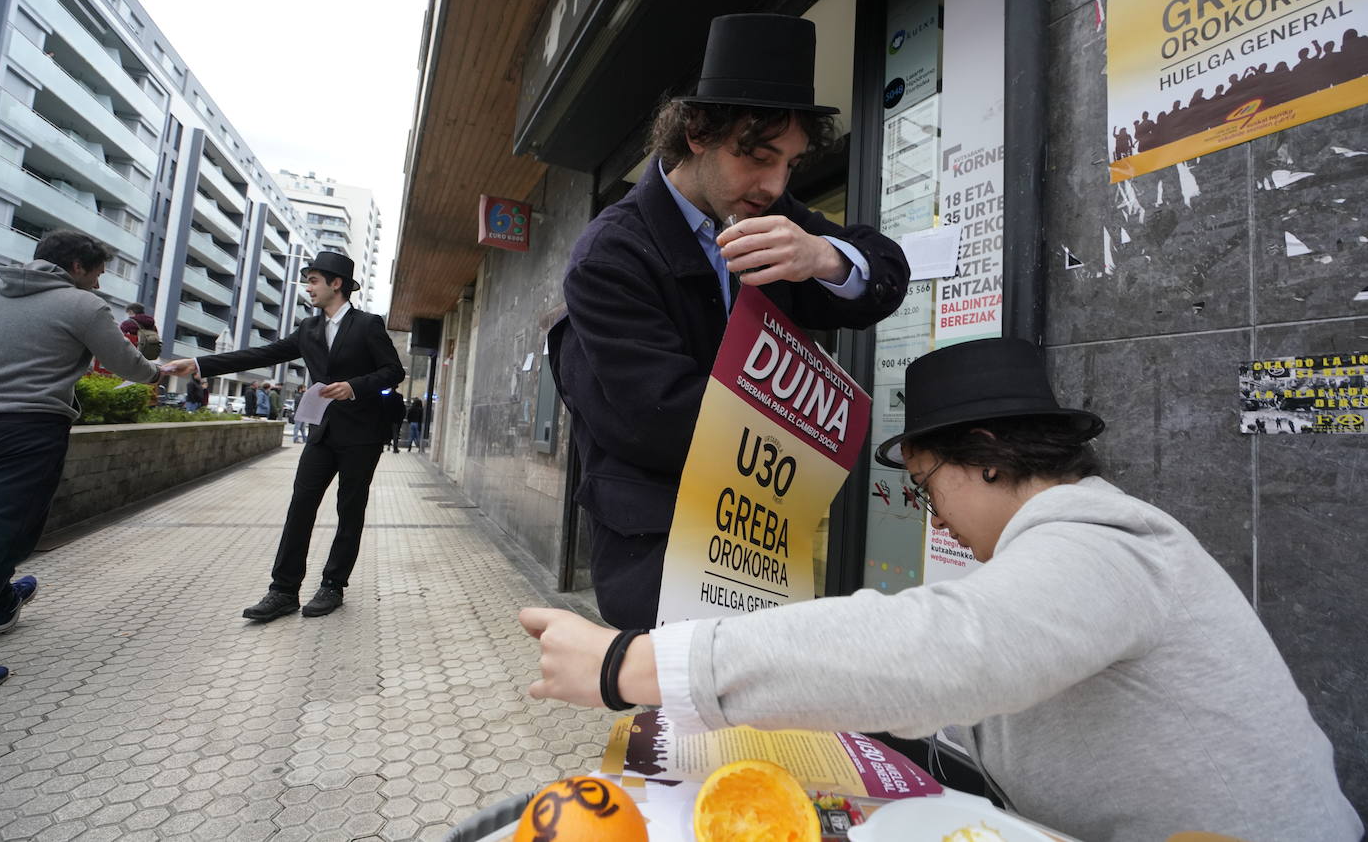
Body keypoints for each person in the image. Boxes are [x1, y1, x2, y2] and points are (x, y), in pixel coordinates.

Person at [521, 338, 1362, 842]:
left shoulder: (1109, 543)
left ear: (990, 455)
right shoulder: (1057, 558)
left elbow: (942, 648)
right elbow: (957, 689)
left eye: (927, 488)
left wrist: (633, 662)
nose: (935, 520)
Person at [547, 14, 910, 630]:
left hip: (762, 537)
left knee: (755, 719)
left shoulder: (772, 213)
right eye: (759, 156)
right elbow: (657, 418)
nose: (773, 184)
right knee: (678, 719)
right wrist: (812, 432)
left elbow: (885, 274)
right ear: (697, 132)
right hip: (661, 544)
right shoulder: (613, 251)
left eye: (791, 165)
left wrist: (820, 256)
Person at [161, 251, 403, 621]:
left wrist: (354, 386)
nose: (308, 288)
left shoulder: (369, 324)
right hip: (322, 433)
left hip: (362, 435)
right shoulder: (308, 329)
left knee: (349, 510)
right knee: (300, 507)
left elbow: (393, 371)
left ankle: (333, 585)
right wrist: (199, 364)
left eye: (313, 281)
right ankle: (284, 590)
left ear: (336, 284)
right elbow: (262, 354)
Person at [0, 230, 164, 686]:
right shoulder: (83, 306)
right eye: (97, 273)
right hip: (31, 427)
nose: (99, 283)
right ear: (76, 267)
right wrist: (157, 373)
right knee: (13, 526)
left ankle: (0, 600)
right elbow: (128, 364)